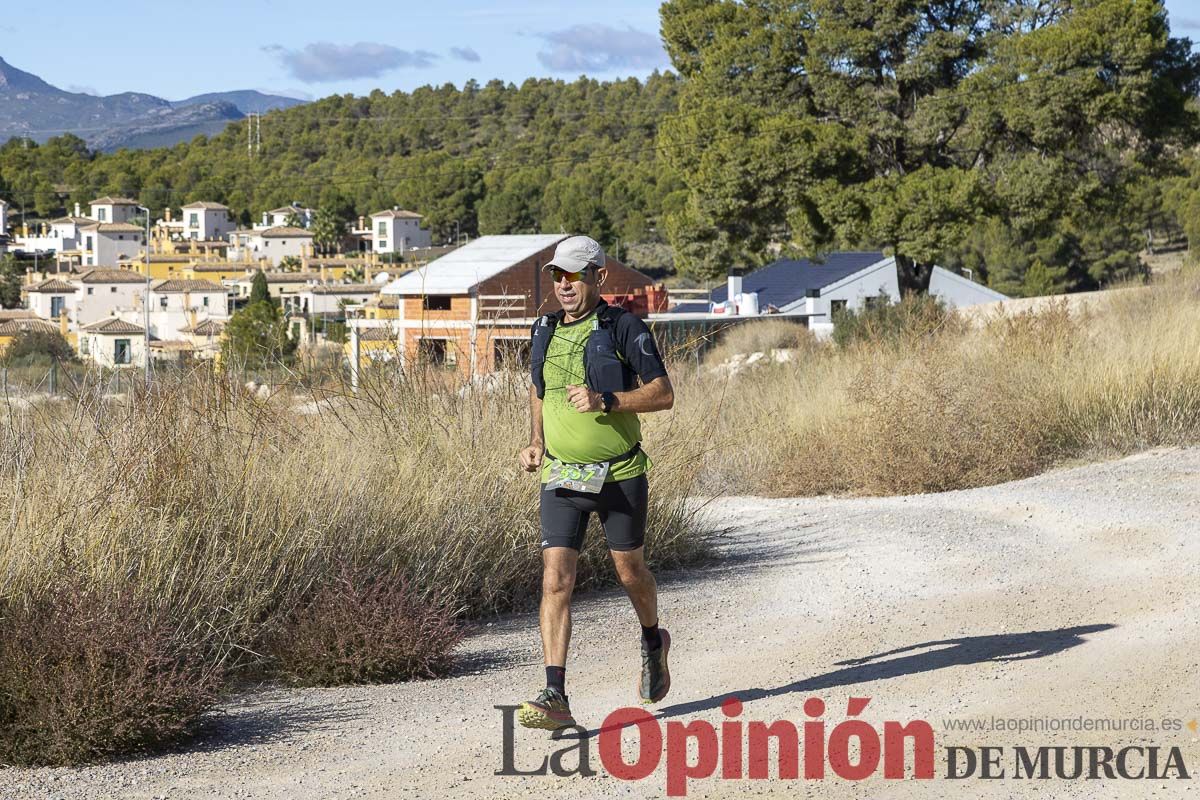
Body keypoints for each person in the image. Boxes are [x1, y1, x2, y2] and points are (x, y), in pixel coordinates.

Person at [516, 235, 675, 730]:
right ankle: (555, 695)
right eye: (557, 276)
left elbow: (663, 394)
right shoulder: (543, 329)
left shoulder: (624, 327)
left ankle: (653, 638)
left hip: (620, 473)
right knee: (555, 580)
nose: (563, 285)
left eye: (573, 275)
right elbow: (539, 393)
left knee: (631, 574)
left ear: (597, 277)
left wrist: (607, 400)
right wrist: (537, 441)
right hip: (561, 473)